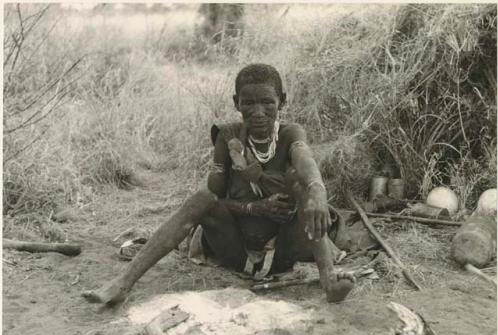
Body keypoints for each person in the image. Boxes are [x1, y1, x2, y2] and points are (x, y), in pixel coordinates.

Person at [82, 63, 355, 305]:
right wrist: (254, 208)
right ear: (236, 103)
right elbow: (212, 202)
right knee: (201, 198)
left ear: (282, 102)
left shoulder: (289, 134)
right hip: (235, 248)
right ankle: (123, 283)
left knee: (301, 185)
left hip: (286, 248)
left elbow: (304, 156)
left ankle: (328, 278)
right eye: (248, 103)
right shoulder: (228, 138)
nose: (258, 112)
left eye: (267, 102)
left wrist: (317, 192)